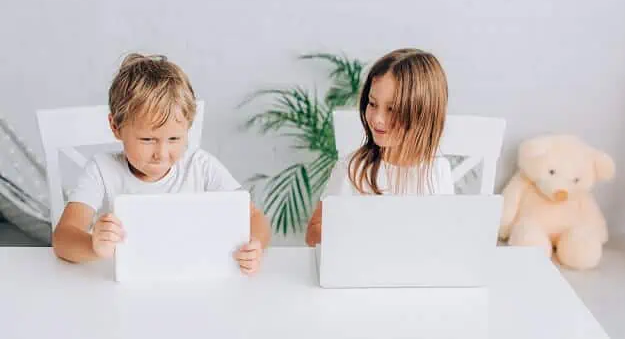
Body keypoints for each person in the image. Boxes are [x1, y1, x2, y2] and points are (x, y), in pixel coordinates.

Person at [52, 53, 270, 275]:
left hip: (188, 278)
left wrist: (256, 245)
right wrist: (93, 246)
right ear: (116, 127)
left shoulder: (200, 166)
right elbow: (62, 238)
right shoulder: (102, 170)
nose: (161, 154)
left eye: (174, 139)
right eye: (148, 140)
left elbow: (253, 216)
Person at [305, 48, 454, 246]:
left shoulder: (438, 171)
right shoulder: (353, 169)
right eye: (373, 104)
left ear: (423, 115)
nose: (377, 119)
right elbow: (313, 231)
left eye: (392, 109)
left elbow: (447, 237)